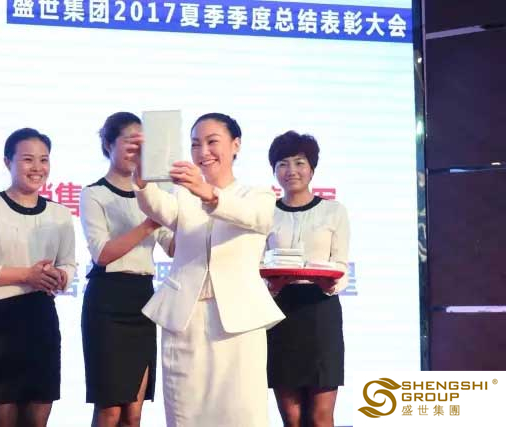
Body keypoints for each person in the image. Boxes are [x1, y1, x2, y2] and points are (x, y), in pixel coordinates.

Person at [131, 113, 284, 427]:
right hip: (186, 319)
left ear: (236, 145)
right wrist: (142, 178)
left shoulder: (258, 195)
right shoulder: (182, 196)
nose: (203, 152)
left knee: (242, 412)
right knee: (186, 412)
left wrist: (208, 193)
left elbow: (254, 217)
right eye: (195, 144)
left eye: (212, 142)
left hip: (239, 322)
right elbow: (157, 207)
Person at [0, 128, 76, 427]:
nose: (37, 167)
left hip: (41, 318)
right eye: (28, 159)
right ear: (8, 162)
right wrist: (27, 275)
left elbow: (69, 264)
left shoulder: (60, 214)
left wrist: (59, 276)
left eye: (44, 159)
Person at [80, 112, 174, 427]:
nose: (137, 150)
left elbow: (172, 246)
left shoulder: (154, 194)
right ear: (109, 144)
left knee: (133, 412)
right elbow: (102, 253)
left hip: (142, 300)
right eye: (130, 142)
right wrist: (148, 225)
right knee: (110, 410)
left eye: (142, 144)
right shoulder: (94, 193)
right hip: (107, 302)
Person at [265, 131, 350, 427]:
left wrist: (331, 283)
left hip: (321, 310)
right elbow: (257, 264)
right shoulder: (265, 214)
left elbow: (341, 264)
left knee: (320, 415)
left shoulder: (334, 211)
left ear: (312, 168)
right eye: (283, 164)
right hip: (280, 312)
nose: (291, 171)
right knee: (291, 417)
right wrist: (271, 286)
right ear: (274, 171)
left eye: (299, 163)